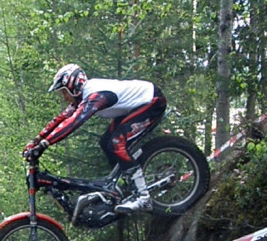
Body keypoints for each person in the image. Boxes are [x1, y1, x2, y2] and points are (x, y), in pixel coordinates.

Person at [23, 63, 167, 213]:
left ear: (73, 87)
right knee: (106, 143)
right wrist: (36, 140)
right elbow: (61, 118)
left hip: (152, 101)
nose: (64, 98)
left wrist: (45, 144)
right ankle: (121, 185)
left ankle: (143, 197)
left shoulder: (95, 95)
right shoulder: (83, 97)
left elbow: (74, 122)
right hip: (135, 106)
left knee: (117, 143)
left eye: (64, 93)